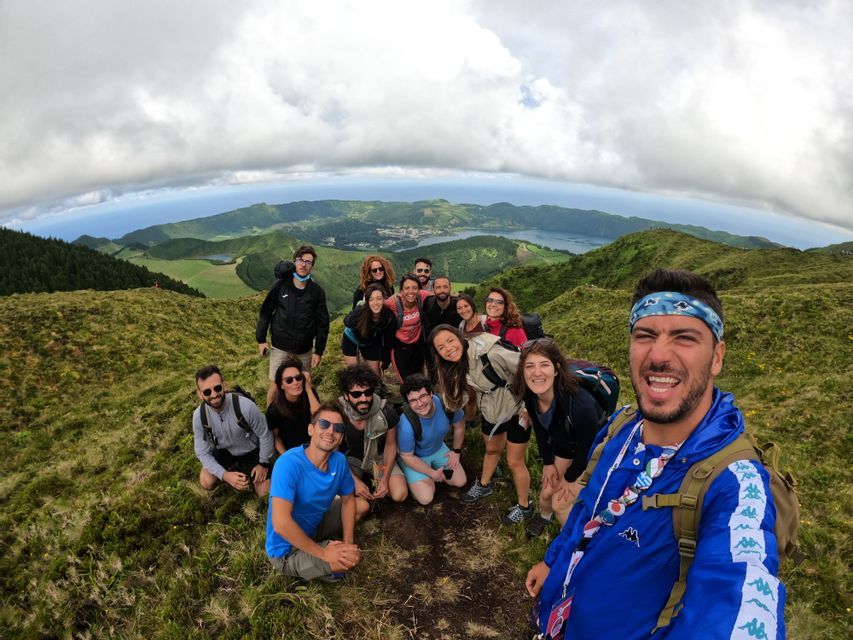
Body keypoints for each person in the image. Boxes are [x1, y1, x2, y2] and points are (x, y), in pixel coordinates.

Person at [525, 269, 785, 639]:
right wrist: (553, 562)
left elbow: (737, 594)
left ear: (717, 357)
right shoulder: (623, 425)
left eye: (685, 337)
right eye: (645, 335)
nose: (659, 356)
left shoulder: (735, 484)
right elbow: (588, 509)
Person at [429, 325, 533, 525]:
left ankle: (524, 506)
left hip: (517, 407)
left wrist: (528, 407)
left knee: (514, 461)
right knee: (492, 449)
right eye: (441, 347)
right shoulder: (457, 364)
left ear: (460, 337)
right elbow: (460, 398)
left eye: (450, 340)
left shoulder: (489, 352)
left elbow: (527, 368)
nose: (448, 348)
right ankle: (485, 485)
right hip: (492, 408)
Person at [513, 339, 604, 537]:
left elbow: (589, 447)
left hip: (591, 453)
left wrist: (570, 478)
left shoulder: (580, 404)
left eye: (544, 365)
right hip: (566, 445)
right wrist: (548, 463)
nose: (536, 373)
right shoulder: (531, 397)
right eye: (530, 366)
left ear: (556, 369)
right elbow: (540, 429)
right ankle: (544, 518)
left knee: (560, 502)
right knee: (547, 491)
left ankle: (570, 543)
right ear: (523, 371)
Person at [266, 401, 363, 582]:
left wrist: (348, 541)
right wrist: (324, 553)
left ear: (341, 437)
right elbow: (280, 524)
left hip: (314, 526)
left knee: (362, 506)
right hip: (286, 550)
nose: (330, 431)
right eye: (324, 424)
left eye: (338, 428)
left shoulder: (339, 461)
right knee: (349, 560)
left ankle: (326, 553)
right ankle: (314, 563)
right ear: (311, 429)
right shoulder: (288, 464)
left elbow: (349, 500)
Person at [256, 245, 330, 406]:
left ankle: (300, 420)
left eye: (308, 262)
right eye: (300, 260)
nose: (304, 265)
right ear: (294, 262)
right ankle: (271, 419)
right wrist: (261, 339)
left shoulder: (317, 292)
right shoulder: (280, 285)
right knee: (276, 386)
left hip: (304, 350)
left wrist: (319, 351)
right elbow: (266, 312)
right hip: (280, 347)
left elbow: (322, 323)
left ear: (312, 266)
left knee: (302, 385)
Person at [193, 365, 274, 496]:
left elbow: (265, 434)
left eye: (217, 388)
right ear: (200, 394)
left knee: (264, 492)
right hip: (225, 451)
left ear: (224, 386)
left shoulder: (246, 407)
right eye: (207, 392)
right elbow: (202, 453)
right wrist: (224, 475)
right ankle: (232, 471)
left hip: (253, 451)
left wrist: (263, 463)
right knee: (206, 481)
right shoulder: (199, 416)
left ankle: (257, 469)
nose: (214, 395)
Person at [337, 365, 408, 506]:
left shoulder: (386, 411)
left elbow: (391, 444)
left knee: (400, 494)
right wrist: (355, 482)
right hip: (351, 460)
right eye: (356, 394)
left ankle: (375, 483)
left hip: (379, 458)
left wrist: (385, 478)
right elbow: (333, 452)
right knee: (340, 495)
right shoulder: (338, 413)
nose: (364, 398)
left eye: (368, 392)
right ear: (346, 395)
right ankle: (361, 486)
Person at [396, 374, 467, 505]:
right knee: (426, 497)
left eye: (422, 396)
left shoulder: (447, 405)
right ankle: (413, 476)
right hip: (415, 458)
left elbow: (459, 426)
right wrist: (432, 473)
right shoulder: (406, 424)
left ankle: (431, 473)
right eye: (413, 400)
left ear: (430, 393)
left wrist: (456, 451)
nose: (420, 404)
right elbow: (407, 456)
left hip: (437, 448)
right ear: (408, 402)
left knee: (460, 481)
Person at [265, 357, 320, 454]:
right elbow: (275, 437)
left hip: (313, 446)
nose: (296, 382)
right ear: (281, 385)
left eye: (299, 378)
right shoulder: (275, 409)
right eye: (289, 380)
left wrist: (308, 389)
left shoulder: (310, 395)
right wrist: (286, 456)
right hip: (291, 451)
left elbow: (320, 418)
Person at [384, 274, 433, 382]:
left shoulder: (422, 296)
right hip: (400, 347)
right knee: (406, 381)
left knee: (419, 378)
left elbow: (439, 295)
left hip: (417, 345)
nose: (411, 292)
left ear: (419, 290)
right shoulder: (393, 302)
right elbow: (375, 306)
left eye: (414, 288)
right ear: (401, 290)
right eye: (407, 288)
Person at [341, 283, 397, 375]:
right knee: (354, 372)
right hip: (351, 338)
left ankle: (376, 389)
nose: (375, 303)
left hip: (371, 342)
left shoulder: (389, 317)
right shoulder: (361, 311)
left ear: (384, 300)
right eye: (371, 299)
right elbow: (347, 321)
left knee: (375, 374)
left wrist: (384, 361)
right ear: (367, 301)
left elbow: (388, 342)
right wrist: (361, 307)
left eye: (379, 299)